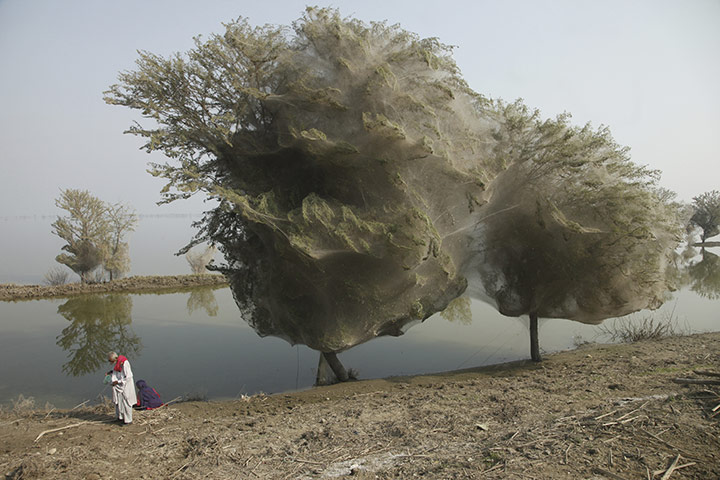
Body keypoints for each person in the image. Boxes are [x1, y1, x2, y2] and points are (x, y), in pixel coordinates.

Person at [107, 351, 137, 426]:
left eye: (111, 361)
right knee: (118, 402)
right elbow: (117, 372)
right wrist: (111, 373)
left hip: (126, 386)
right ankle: (120, 418)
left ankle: (128, 420)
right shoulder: (117, 364)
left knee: (126, 403)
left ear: (115, 359)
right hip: (119, 387)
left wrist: (118, 381)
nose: (110, 363)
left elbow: (129, 376)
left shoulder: (124, 363)